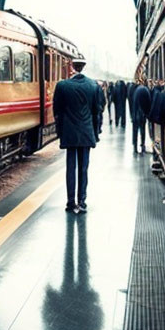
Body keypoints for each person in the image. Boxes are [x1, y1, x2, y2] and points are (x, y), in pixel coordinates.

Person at [53, 57, 102, 213]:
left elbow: (57, 112)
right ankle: (82, 202)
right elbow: (97, 112)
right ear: (84, 67)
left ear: (73, 67)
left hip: (69, 132)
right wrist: (95, 133)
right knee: (83, 168)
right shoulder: (93, 85)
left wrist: (60, 132)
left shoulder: (62, 86)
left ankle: (70, 202)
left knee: (70, 168)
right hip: (87, 133)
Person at [131, 79, 152, 153]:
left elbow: (133, 103)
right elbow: (148, 103)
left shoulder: (136, 90)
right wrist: (147, 114)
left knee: (135, 130)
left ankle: (135, 147)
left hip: (135, 114)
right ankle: (142, 145)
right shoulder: (146, 90)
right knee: (142, 131)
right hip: (142, 115)